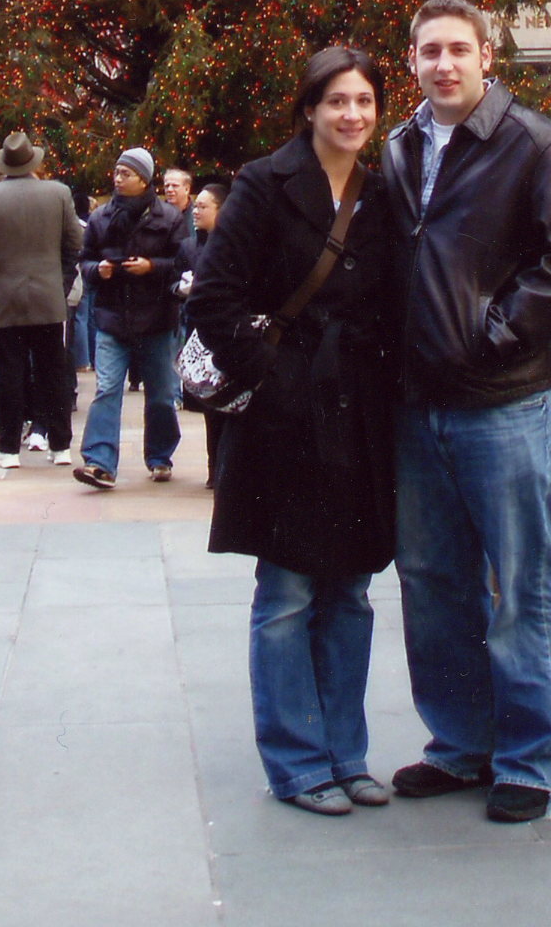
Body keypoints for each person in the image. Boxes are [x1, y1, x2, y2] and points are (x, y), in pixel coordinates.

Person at [382, 0, 551, 823]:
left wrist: (496, 336)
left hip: (502, 402)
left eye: (458, 50)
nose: (443, 64)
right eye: (428, 50)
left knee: (523, 582)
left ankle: (532, 758)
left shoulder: (534, 144)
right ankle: (460, 742)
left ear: (486, 57)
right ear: (411, 61)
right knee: (433, 582)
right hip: (416, 403)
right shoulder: (398, 147)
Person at [188, 48, 396, 815]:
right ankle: (298, 761)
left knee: (351, 590)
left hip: (360, 414)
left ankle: (347, 751)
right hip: (285, 416)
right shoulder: (263, 184)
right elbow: (211, 298)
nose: (352, 115)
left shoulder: (381, 193)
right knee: (285, 591)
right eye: (337, 101)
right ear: (309, 108)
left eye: (365, 102)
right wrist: (272, 379)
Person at [0, 131, 83, 469]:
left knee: (8, 374)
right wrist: (61, 283)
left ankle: (8, 447)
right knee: (53, 373)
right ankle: (60, 445)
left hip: (5, 301)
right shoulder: (58, 194)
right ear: (34, 162)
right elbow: (76, 243)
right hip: (48, 299)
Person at [74, 148, 186, 489]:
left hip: (156, 317)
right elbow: (86, 259)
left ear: (144, 178)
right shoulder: (101, 217)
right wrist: (99, 270)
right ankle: (99, 461)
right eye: (117, 172)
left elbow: (182, 263)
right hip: (112, 316)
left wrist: (152, 267)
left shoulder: (169, 218)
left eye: (126, 173)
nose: (118, 178)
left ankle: (160, 455)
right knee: (107, 388)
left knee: (162, 394)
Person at [176, 181, 230, 488]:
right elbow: (172, 284)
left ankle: (227, 467)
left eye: (203, 206)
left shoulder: (237, 243)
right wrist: (183, 288)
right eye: (195, 206)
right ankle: (214, 469)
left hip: (227, 333)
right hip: (200, 336)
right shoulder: (188, 247)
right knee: (210, 407)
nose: (196, 211)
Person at [163, 168, 195, 236]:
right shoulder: (157, 213)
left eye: (175, 186)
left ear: (187, 189)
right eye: (166, 186)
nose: (169, 189)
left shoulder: (197, 215)